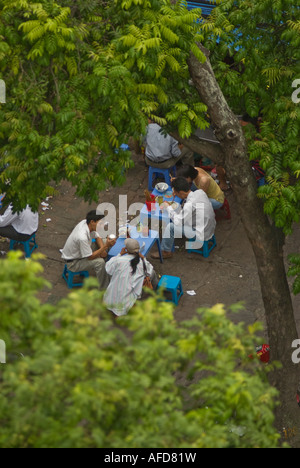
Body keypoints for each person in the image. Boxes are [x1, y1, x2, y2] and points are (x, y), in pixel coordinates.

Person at [151, 177, 216, 259]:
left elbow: (177, 222)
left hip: (201, 233)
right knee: (179, 211)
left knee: (170, 227)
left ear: (181, 192)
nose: (174, 193)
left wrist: (168, 207)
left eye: (175, 192)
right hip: (210, 225)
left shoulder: (189, 205)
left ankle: (165, 252)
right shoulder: (200, 192)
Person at [61, 210, 116, 290]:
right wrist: (104, 247)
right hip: (74, 262)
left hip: (81, 251)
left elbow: (97, 237)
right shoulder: (82, 236)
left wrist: (102, 249)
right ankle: (104, 288)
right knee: (100, 262)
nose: (102, 226)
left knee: (104, 241)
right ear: (92, 222)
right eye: (100, 224)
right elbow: (90, 257)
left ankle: (105, 269)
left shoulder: (85, 222)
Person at [104, 238, 158, 316]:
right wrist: (143, 258)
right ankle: (156, 290)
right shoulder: (142, 262)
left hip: (111, 298)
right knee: (152, 273)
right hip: (128, 299)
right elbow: (149, 270)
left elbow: (108, 268)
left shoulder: (119, 260)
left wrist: (120, 254)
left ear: (126, 249)